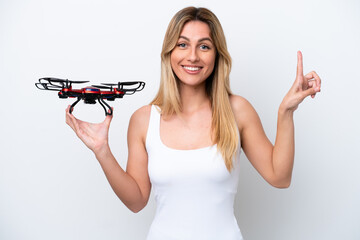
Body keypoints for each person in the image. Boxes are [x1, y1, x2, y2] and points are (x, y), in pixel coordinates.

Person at [65, 6, 321, 240]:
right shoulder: (144, 120)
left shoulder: (238, 111)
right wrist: (102, 151)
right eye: (183, 44)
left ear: (217, 55)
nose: (193, 56)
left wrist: (286, 111)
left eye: (204, 46)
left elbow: (280, 177)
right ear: (169, 52)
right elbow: (136, 201)